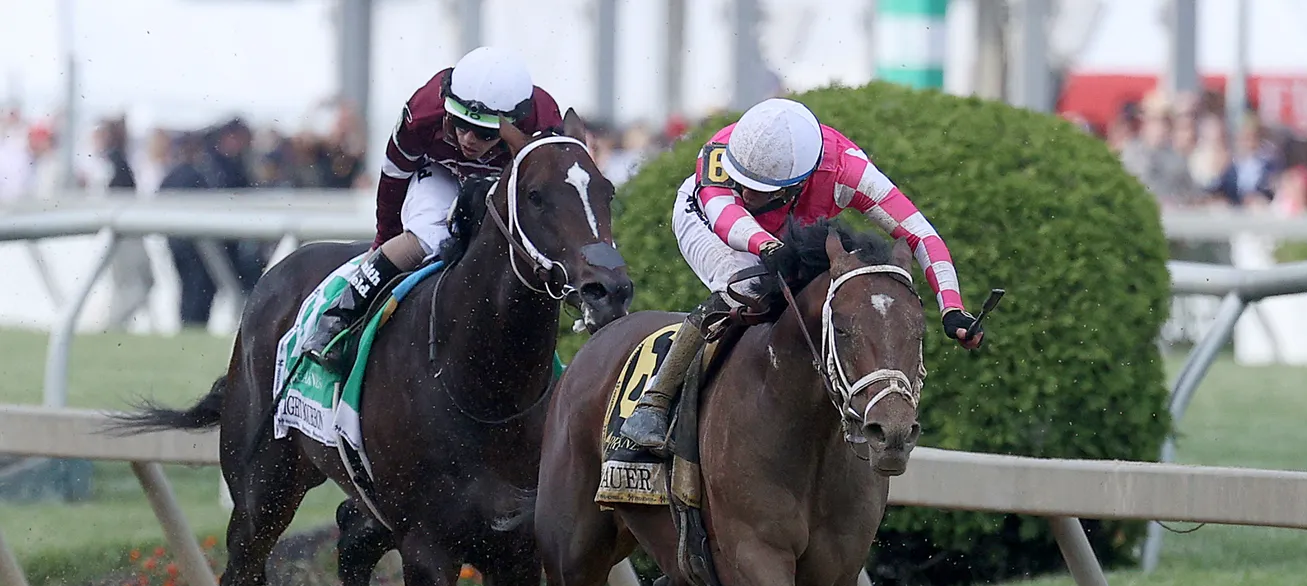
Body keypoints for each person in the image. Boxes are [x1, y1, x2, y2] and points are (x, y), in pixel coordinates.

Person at [620, 97, 983, 451]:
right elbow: (725, 215)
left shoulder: (848, 172)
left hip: (786, 228)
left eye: (759, 190)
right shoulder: (720, 155)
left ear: (798, 184)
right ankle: (655, 402)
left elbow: (921, 235)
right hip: (707, 219)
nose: (745, 191)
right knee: (747, 284)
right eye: (741, 181)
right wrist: (766, 245)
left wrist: (952, 307)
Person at [302, 45, 564, 369]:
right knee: (430, 234)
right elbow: (393, 177)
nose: (468, 139)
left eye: (484, 132)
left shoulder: (545, 123)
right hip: (441, 170)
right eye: (459, 123)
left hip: (503, 180)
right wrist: (385, 237)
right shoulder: (424, 110)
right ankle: (338, 316)